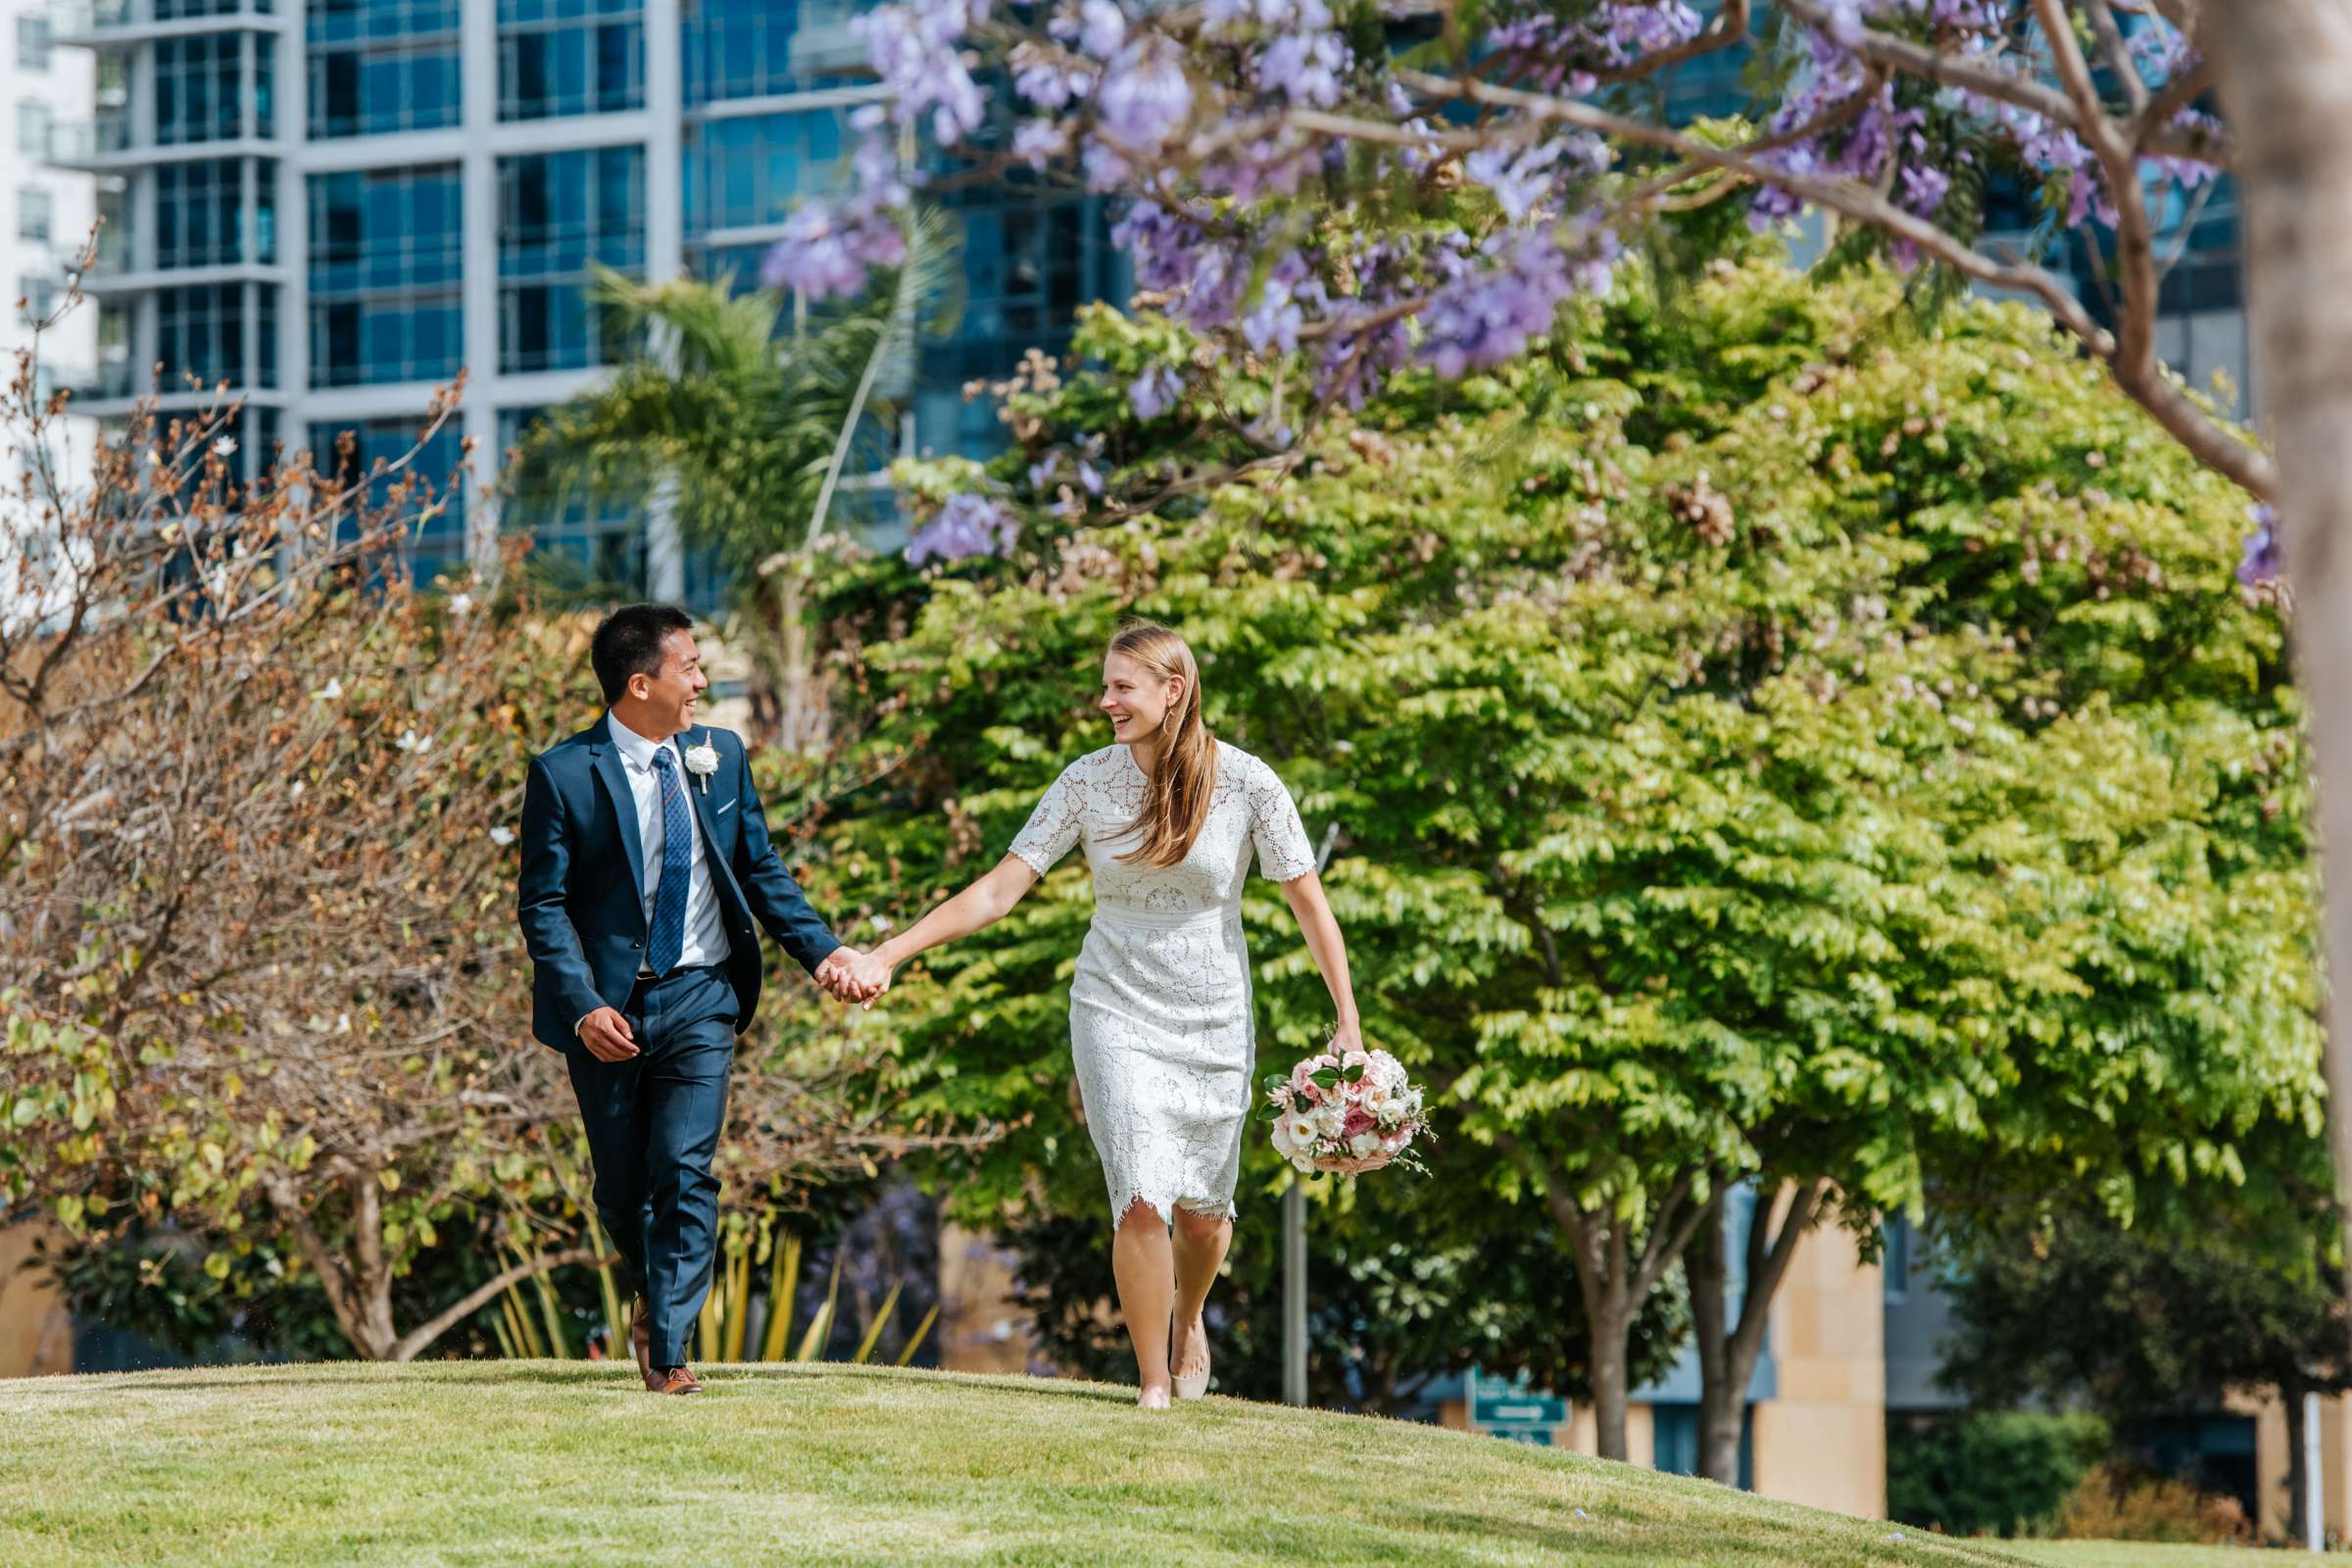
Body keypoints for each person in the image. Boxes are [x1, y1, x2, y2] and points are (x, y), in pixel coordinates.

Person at [847, 620, 1362, 1407]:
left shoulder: (1251, 783)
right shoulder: (1085, 781)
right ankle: (1153, 1381)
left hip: (1215, 1012)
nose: (1106, 701)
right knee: (1141, 1194)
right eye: (1107, 685)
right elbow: (997, 889)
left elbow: (1310, 906)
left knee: (1202, 1214)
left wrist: (1348, 1024)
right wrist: (889, 953)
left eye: (1123, 686)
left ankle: (1190, 1317)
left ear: (1173, 691)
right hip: (1113, 1002)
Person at [516, 603, 879, 1396]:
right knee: (621, 1188)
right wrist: (581, 1005)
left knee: (685, 1170)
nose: (703, 683)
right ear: (639, 682)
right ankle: (652, 1290)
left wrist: (826, 953)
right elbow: (541, 907)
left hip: (703, 994)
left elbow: (760, 869)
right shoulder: (563, 774)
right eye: (690, 667)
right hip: (606, 1012)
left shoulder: (721, 754)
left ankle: (670, 1351)